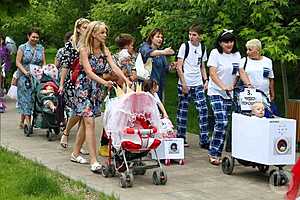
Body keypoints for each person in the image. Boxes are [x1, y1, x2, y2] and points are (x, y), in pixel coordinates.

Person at [70, 21, 131, 173]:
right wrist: (105, 82)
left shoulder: (105, 49)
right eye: (102, 32)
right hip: (83, 87)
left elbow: (114, 66)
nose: (105, 35)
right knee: (89, 122)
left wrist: (126, 79)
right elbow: (89, 71)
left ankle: (75, 153)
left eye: (105, 32)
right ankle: (93, 161)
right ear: (94, 34)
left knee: (86, 123)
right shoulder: (84, 49)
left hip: (96, 88)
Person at [206, 29, 251, 165]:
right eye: (226, 42)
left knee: (228, 124)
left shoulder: (237, 55)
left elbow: (239, 72)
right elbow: (213, 74)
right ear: (220, 43)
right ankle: (213, 152)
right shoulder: (215, 53)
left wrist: (247, 84)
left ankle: (221, 153)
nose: (229, 44)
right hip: (215, 92)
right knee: (222, 121)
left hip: (229, 94)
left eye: (231, 41)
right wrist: (222, 86)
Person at [176, 24, 210, 148]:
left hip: (198, 84)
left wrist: (205, 80)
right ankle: (180, 137)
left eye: (194, 35)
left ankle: (204, 139)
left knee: (203, 109)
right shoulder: (184, 46)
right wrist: (184, 83)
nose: (191, 37)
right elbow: (179, 67)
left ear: (200, 36)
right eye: (190, 34)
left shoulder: (203, 47)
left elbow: (202, 66)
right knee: (183, 111)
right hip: (185, 83)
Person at [59, 18, 90, 149]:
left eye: (88, 27)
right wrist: (61, 84)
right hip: (73, 80)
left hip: (87, 79)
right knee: (78, 111)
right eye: (84, 27)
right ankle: (66, 132)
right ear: (78, 28)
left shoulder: (90, 43)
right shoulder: (71, 44)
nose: (86, 30)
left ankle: (79, 144)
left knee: (85, 113)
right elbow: (65, 65)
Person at [16, 27, 46, 131]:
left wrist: (43, 70)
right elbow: (18, 62)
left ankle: (24, 120)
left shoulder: (40, 48)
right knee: (26, 98)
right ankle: (28, 122)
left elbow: (43, 62)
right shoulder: (22, 47)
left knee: (35, 98)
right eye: (33, 37)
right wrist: (25, 72)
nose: (35, 39)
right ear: (28, 36)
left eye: (37, 37)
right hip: (24, 77)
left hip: (37, 77)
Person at [139, 28, 174, 100]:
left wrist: (172, 67)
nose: (160, 39)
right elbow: (149, 53)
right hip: (147, 87)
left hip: (159, 87)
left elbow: (166, 69)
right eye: (158, 37)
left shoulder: (161, 52)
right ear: (151, 38)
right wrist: (164, 52)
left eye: (161, 37)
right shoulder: (144, 47)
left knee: (158, 108)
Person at [0, 33, 11, 112]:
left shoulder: (5, 49)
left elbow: (8, 60)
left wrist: (5, 67)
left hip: (2, 69)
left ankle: (0, 105)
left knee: (0, 86)